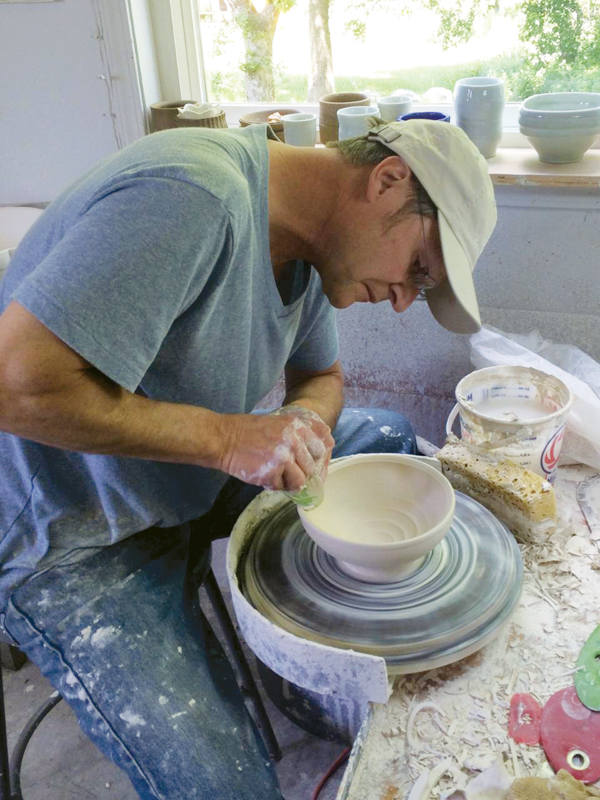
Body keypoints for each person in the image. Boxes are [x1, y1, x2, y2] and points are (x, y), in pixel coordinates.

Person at [0, 118, 496, 799]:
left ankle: (298, 681)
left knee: (381, 437)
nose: (406, 301)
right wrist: (229, 440)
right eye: (417, 269)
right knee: (229, 790)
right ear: (388, 181)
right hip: (74, 531)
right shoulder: (193, 196)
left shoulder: (310, 245)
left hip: (184, 479)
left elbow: (321, 380)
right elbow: (13, 385)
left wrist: (297, 425)